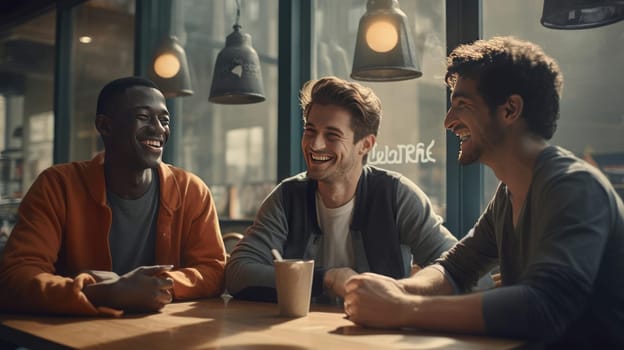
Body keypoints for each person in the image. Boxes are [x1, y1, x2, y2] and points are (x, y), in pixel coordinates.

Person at [343, 36, 624, 348]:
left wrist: (402, 309)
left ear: (510, 110)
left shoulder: (575, 186)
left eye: (462, 105)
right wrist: (397, 292)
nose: (448, 121)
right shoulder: (508, 194)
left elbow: (544, 307)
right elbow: (454, 269)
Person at [0, 76, 226, 316]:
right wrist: (104, 294)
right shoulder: (57, 186)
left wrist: (157, 285)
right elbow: (17, 277)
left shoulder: (192, 190)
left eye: (164, 120)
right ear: (105, 126)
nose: (159, 128)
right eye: (143, 117)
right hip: (74, 332)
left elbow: (214, 270)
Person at [225, 76, 457, 302]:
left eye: (332, 135)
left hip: (378, 335)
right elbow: (237, 273)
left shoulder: (397, 195)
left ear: (365, 145)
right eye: (310, 130)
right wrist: (327, 279)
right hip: (301, 334)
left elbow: (460, 270)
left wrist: (400, 291)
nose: (315, 144)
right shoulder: (287, 197)